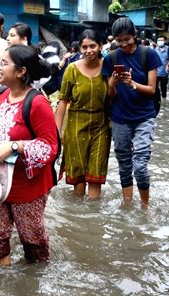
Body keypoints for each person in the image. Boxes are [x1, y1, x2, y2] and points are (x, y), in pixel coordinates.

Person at [0, 45, 59, 265]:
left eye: (5, 63)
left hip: (28, 186)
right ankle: (3, 287)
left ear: (21, 71)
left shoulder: (37, 103)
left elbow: (49, 147)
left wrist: (16, 147)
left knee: (32, 240)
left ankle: (34, 284)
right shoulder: (2, 94)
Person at [102, 17, 162, 208]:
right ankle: (127, 204)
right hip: (120, 118)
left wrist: (132, 84)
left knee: (140, 164)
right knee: (124, 163)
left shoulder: (148, 54)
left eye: (127, 39)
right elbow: (110, 95)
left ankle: (145, 205)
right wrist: (112, 84)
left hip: (144, 116)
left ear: (135, 35)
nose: (124, 44)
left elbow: (152, 89)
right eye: (119, 41)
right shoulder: (110, 59)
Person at [55, 29, 110, 199]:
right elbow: (63, 101)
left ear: (100, 46)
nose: (88, 51)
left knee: (96, 174)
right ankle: (79, 215)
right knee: (78, 177)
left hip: (101, 125)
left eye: (92, 46)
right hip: (76, 125)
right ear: (79, 49)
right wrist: (56, 132)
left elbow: (114, 96)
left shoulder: (108, 67)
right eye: (84, 47)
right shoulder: (72, 69)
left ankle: (92, 217)